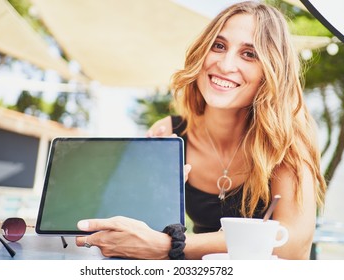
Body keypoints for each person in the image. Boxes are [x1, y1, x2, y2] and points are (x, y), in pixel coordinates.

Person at [75, 1, 327, 260]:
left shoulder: (287, 136)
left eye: (249, 54)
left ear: (271, 70)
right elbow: (138, 237)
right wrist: (153, 194)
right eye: (219, 46)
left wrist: (172, 246)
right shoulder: (169, 132)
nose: (226, 65)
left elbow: (293, 243)